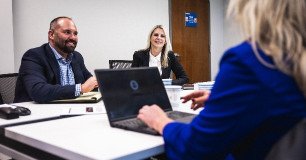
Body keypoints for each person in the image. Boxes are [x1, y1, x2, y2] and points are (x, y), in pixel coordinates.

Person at [137, 0, 306, 159]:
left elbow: (197, 148)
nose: (159, 38)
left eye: (162, 35)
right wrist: (231, 100)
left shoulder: (248, 60)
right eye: (156, 35)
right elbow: (277, 101)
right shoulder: (294, 61)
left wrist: (161, 122)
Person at [14, 16, 98, 103]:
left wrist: (105, 83)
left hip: (72, 109)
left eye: (75, 33)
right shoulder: (34, 56)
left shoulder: (76, 57)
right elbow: (38, 91)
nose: (73, 37)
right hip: (36, 113)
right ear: (51, 35)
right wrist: (80, 88)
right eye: (67, 32)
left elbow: (90, 83)